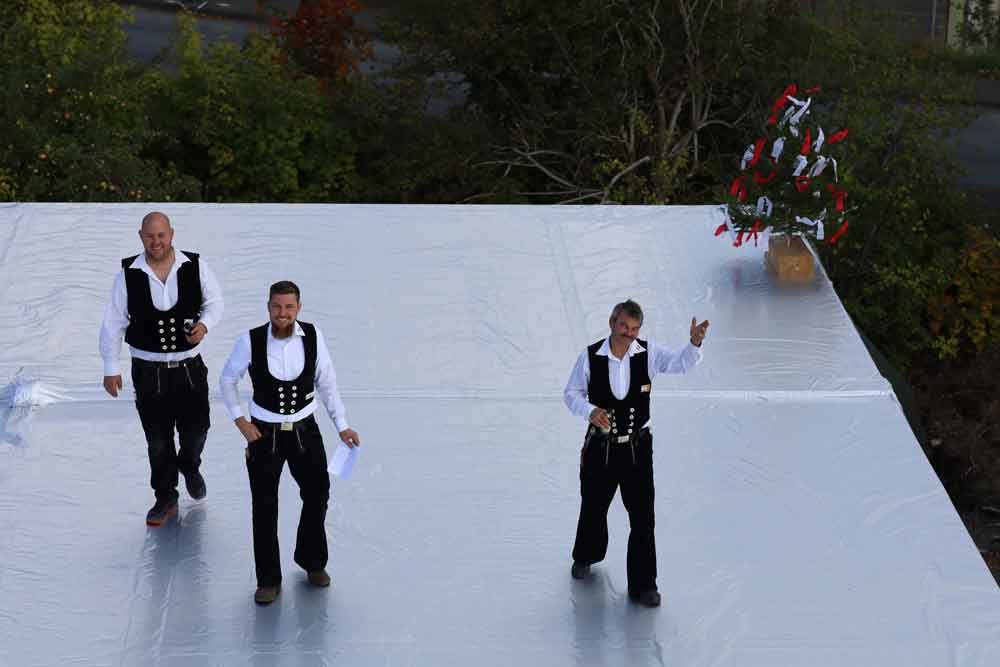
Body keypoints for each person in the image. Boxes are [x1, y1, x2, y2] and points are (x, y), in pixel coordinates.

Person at [220, 280, 361, 605]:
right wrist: (241, 422)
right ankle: (268, 580)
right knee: (264, 505)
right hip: (264, 435)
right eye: (276, 306)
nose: (282, 313)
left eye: (288, 307)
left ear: (298, 308)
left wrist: (342, 425)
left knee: (318, 493)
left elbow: (327, 382)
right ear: (268, 307)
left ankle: (312, 560)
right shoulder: (250, 340)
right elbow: (227, 379)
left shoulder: (313, 336)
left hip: (304, 431)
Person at [563, 299, 709, 607]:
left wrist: (694, 343)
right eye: (624, 326)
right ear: (612, 323)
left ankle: (643, 586)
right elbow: (571, 393)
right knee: (593, 505)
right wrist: (589, 411)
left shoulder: (649, 353)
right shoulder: (590, 356)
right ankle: (586, 555)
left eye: (634, 329)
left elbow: (680, 364)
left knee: (643, 516)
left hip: (637, 450)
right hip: (601, 448)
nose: (629, 334)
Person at [100, 212, 224, 526]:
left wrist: (204, 325)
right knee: (157, 440)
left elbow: (215, 302)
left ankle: (190, 465)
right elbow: (113, 322)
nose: (156, 242)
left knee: (197, 429)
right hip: (148, 372)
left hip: (189, 369)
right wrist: (111, 367)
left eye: (161, 235)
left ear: (171, 234)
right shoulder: (128, 274)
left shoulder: (195, 265)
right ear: (141, 236)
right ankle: (165, 497)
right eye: (150, 236)